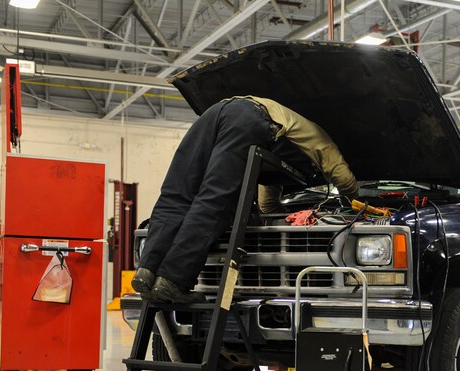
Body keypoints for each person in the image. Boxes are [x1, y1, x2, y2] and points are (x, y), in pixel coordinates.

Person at [132, 96, 358, 303]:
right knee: (214, 202)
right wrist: (355, 205)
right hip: (248, 118)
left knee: (177, 194)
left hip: (215, 113)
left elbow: (268, 204)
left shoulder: (280, 149)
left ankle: (147, 269)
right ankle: (173, 280)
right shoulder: (321, 139)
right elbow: (344, 178)